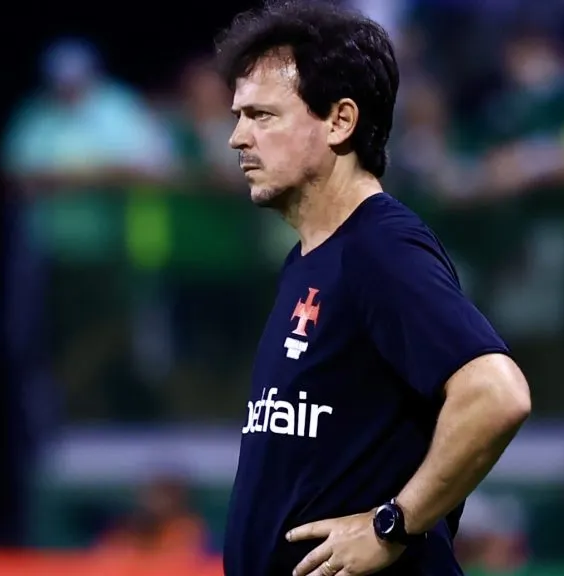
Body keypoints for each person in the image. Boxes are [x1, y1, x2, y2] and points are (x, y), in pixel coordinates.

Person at [213, 2, 532, 576]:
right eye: (239, 116)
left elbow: (496, 393)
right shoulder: (309, 258)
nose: (238, 137)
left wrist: (393, 524)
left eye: (262, 115)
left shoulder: (378, 248)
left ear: (340, 121)